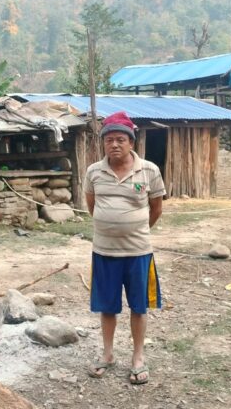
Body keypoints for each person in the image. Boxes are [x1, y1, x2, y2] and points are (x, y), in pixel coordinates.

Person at [83, 112, 165, 385]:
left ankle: (138, 357)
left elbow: (156, 209)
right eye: (109, 140)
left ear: (131, 142)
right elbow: (92, 205)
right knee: (107, 307)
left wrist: (134, 229)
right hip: (104, 252)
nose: (114, 144)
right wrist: (111, 225)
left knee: (139, 307)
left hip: (138, 252)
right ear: (103, 143)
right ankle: (107, 355)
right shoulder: (94, 171)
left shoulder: (149, 170)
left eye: (120, 139)